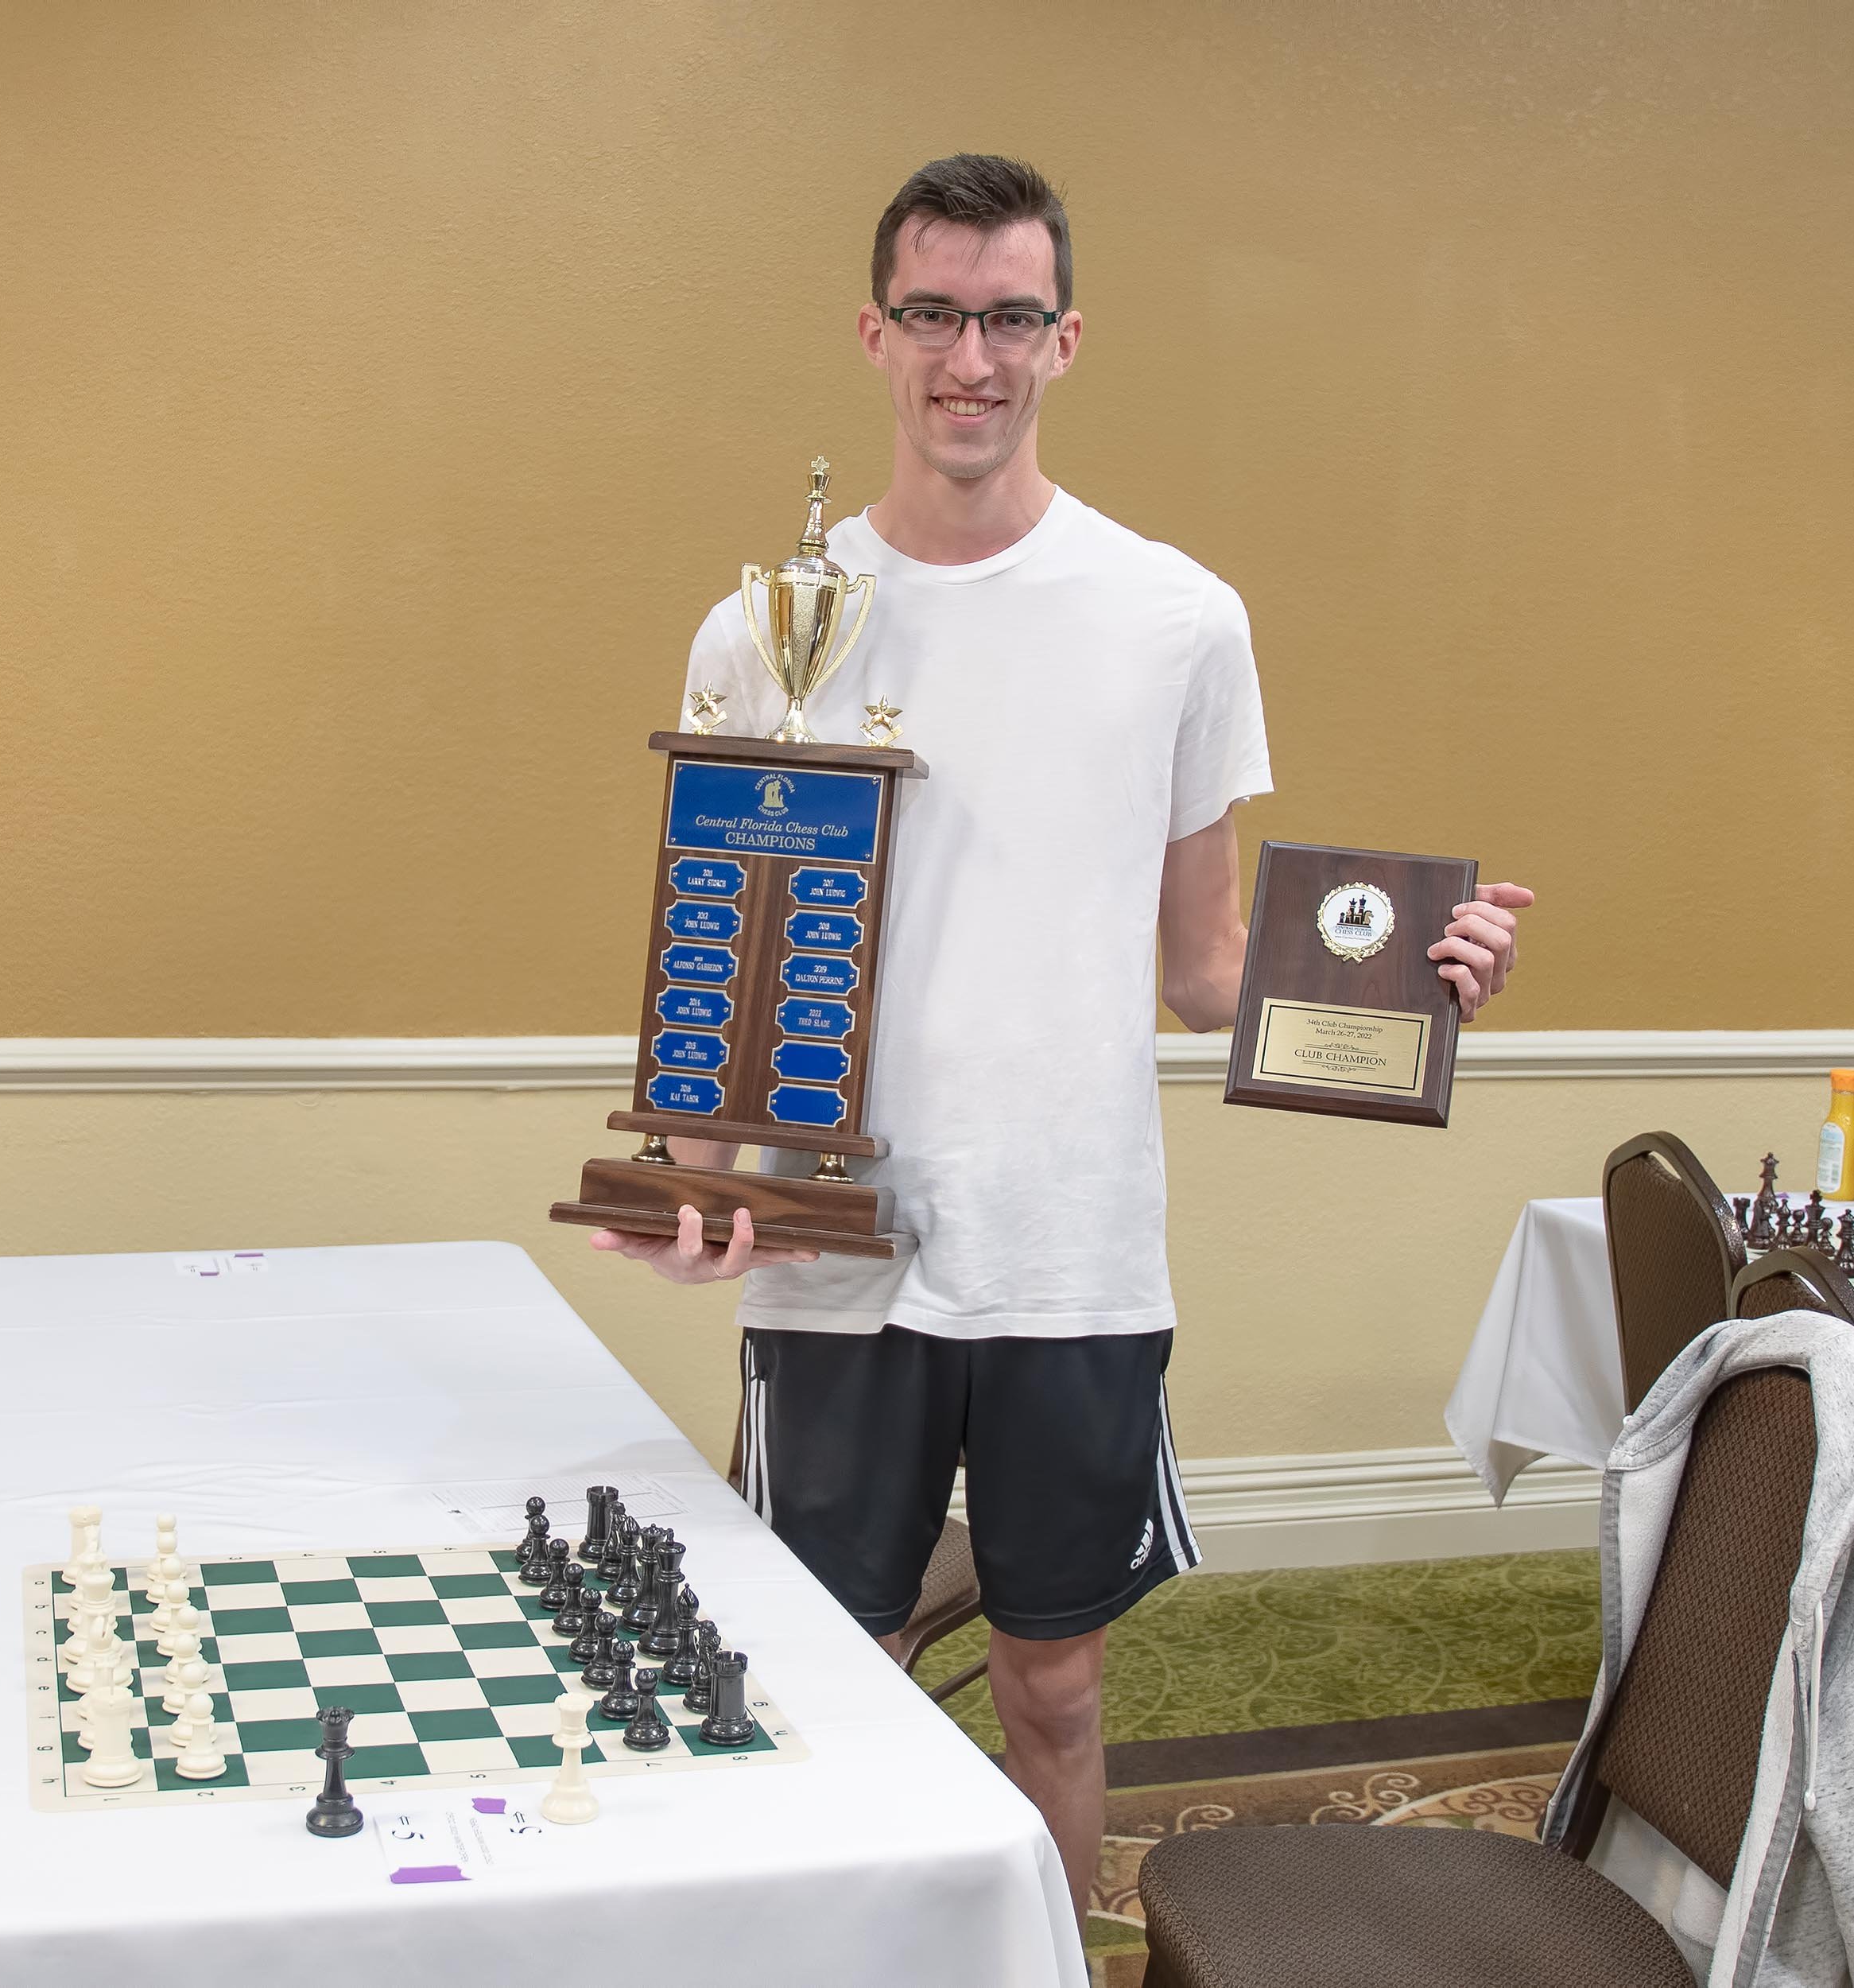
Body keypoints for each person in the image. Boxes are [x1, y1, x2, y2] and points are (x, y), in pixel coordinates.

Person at [594, 153, 1533, 1917]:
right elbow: (729, 943)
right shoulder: (760, 622)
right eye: (936, 316)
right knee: (836, 1674)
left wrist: (1409, 981)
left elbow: (1196, 965)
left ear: (1065, 339)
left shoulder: (1175, 614)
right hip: (835, 1251)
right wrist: (696, 1182)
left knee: (1054, 1681)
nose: (972, 356)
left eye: (1010, 317)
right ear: (874, 335)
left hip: (1072, 1249)